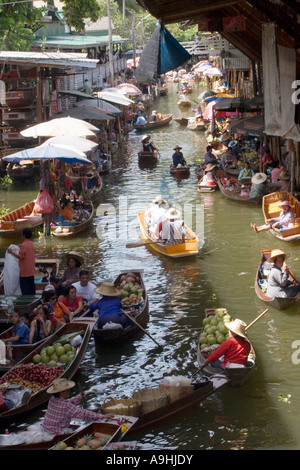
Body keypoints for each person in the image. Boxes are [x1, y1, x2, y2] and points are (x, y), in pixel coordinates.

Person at [42, 378, 111, 436]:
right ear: (62, 392)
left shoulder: (52, 399)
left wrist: (79, 396)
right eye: (67, 390)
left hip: (46, 428)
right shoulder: (65, 406)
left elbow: (69, 403)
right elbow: (82, 413)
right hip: (57, 432)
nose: (69, 391)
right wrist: (101, 416)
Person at [8, 228, 36, 296]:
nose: (21, 234)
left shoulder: (23, 245)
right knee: (31, 289)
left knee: (25, 291)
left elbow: (21, 257)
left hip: (24, 271)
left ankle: (27, 304)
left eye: (22, 233)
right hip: (31, 270)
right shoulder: (31, 244)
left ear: (24, 235)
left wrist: (12, 252)